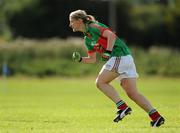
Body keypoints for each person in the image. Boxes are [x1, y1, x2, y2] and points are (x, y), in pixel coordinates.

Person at [69, 9, 165, 127]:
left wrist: (108, 51)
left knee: (100, 82)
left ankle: (122, 107)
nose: (70, 24)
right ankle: (156, 117)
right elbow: (92, 59)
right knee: (133, 94)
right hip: (124, 59)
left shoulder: (94, 26)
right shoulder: (87, 39)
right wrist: (80, 59)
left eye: (71, 21)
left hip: (120, 56)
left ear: (79, 20)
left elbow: (111, 35)